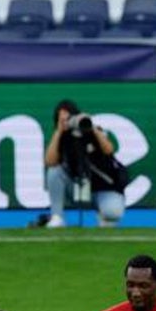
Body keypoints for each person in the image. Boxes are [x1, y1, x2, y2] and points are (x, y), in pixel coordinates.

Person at [44, 98, 126, 228]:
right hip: (77, 188)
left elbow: (109, 150)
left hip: (103, 188)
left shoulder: (94, 132)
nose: (68, 122)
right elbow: (49, 161)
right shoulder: (62, 138)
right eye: (63, 120)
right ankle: (57, 216)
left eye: (70, 118)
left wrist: (91, 127)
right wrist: (59, 131)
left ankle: (104, 215)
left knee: (113, 213)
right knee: (54, 171)